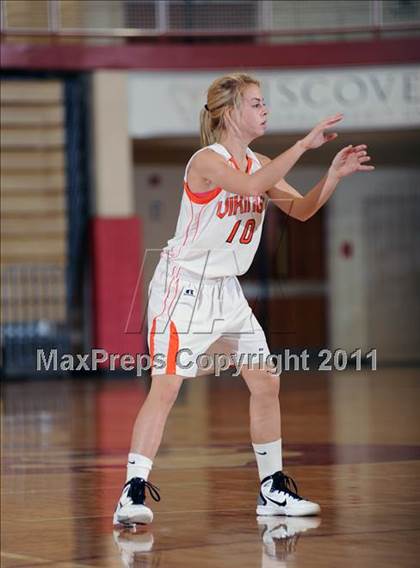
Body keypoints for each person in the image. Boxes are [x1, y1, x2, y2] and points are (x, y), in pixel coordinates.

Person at [113, 73, 374, 526]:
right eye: (256, 103)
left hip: (226, 289)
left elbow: (302, 209)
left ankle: (272, 490)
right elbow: (251, 190)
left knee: (266, 381)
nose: (265, 109)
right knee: (168, 386)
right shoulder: (207, 161)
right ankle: (131, 492)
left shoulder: (261, 163)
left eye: (263, 102)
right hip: (184, 285)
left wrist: (331, 175)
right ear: (231, 114)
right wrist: (303, 146)